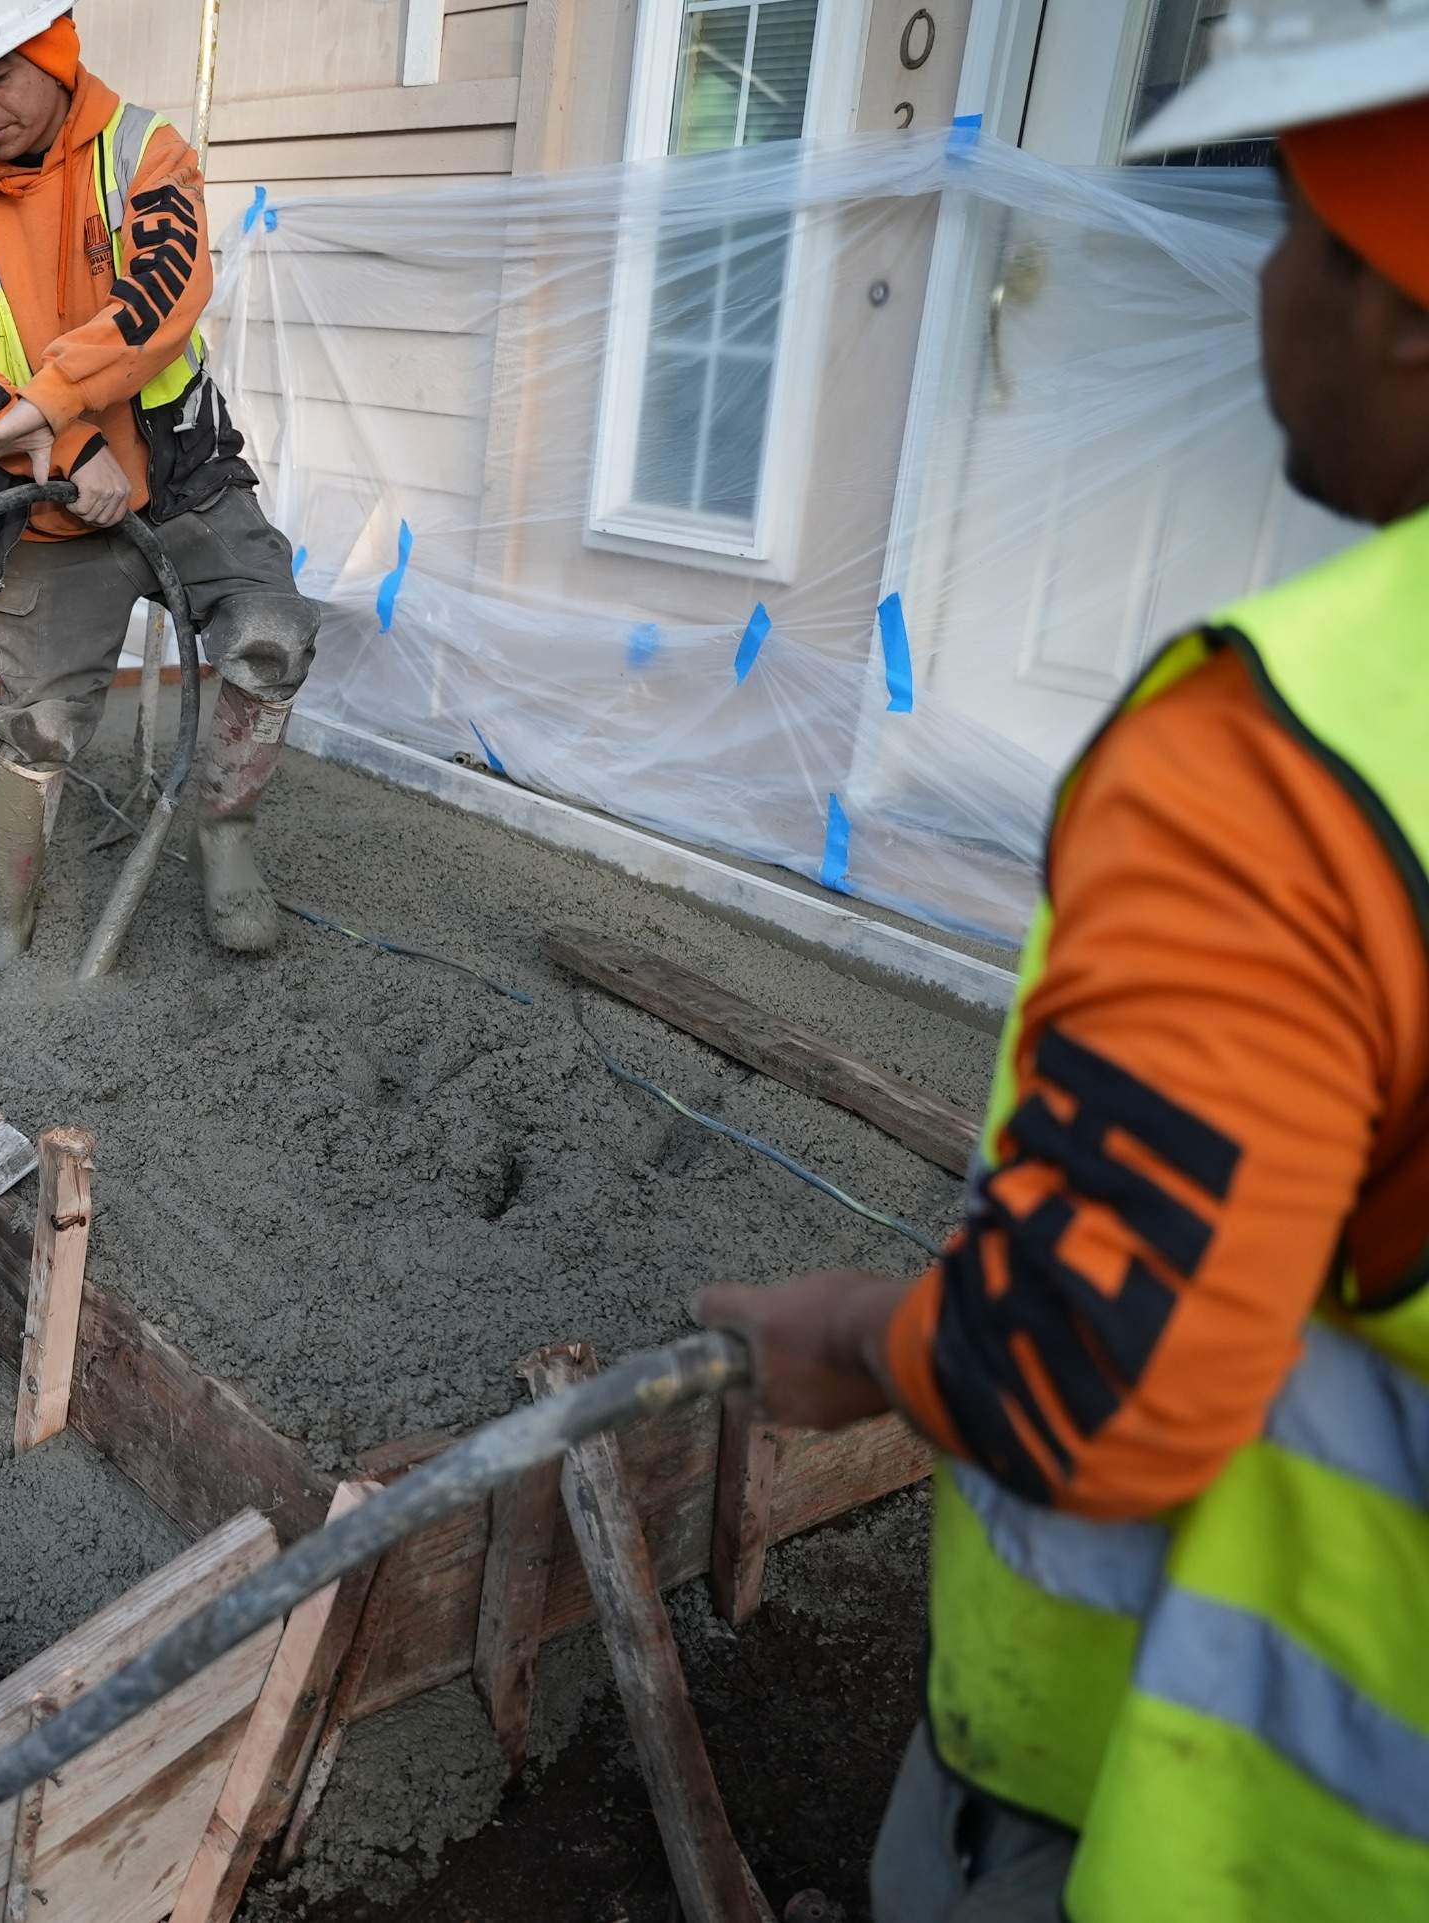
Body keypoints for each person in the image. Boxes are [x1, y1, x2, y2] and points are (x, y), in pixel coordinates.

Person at [697, 11, 1429, 1918]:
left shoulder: (1289, 765)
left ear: (1404, 316)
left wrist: (857, 1340)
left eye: (1290, 235)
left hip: (1245, 1815)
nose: (1257, 279)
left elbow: (1103, 1380)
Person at [0, 1, 319, 970]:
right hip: (53, 510)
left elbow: (162, 296)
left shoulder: (142, 154)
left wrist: (55, 408)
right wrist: (66, 446)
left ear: (52, 53)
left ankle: (226, 838)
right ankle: (7, 909)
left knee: (273, 638)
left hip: (182, 476)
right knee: (39, 728)